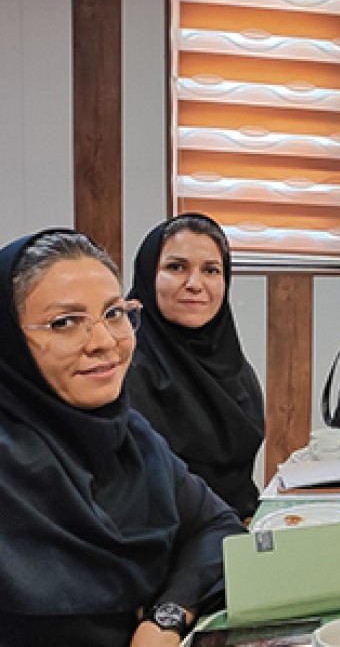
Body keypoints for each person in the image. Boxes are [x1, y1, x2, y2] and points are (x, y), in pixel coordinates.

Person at [0, 229, 244, 645]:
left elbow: (217, 526)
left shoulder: (130, 436)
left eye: (114, 313)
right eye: (65, 323)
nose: (104, 342)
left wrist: (167, 617)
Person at [126, 214, 265, 521]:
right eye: (176, 267)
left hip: (241, 528)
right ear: (148, 275)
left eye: (211, 270)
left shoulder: (236, 369)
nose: (194, 284)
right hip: (162, 540)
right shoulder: (120, 369)